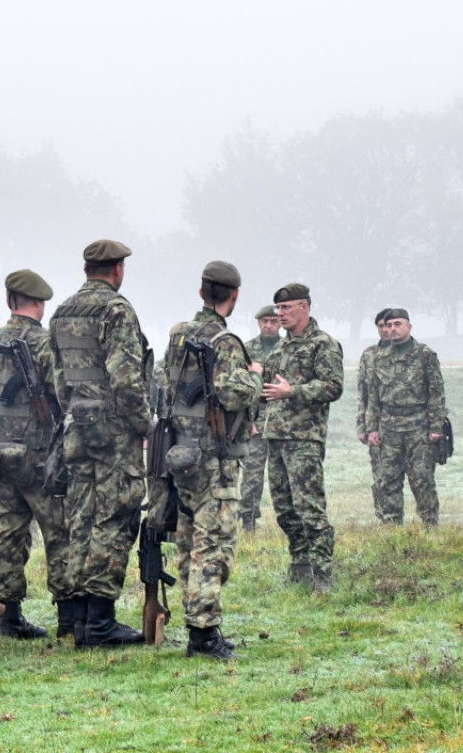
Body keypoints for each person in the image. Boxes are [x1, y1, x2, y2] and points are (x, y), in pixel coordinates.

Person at [48, 239, 151, 648]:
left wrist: (74, 412)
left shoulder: (62, 311)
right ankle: (100, 621)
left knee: (81, 518)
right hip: (114, 434)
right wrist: (143, 424)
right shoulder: (116, 310)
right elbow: (126, 376)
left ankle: (79, 618)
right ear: (117, 269)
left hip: (76, 427)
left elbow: (58, 378)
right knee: (113, 518)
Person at [156, 261, 261, 659]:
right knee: (211, 544)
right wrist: (254, 375)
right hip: (214, 457)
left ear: (202, 292)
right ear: (233, 296)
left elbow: (166, 382)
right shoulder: (226, 341)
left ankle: (197, 620)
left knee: (189, 539)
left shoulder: (178, 335)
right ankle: (204, 633)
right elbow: (233, 395)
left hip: (182, 452)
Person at [0, 269, 63, 640]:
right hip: (39, 456)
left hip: (0, 454)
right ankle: (72, 614)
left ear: (10, 301)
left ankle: (8, 614)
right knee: (60, 534)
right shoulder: (44, 343)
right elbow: (61, 391)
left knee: (6, 538)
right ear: (40, 304)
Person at [260, 284, 344, 592]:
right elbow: (268, 391)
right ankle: (299, 567)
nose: (280, 314)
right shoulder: (280, 348)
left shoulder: (324, 344)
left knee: (310, 508)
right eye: (278, 309)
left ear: (304, 307)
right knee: (285, 509)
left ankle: (323, 576)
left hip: (304, 438)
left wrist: (294, 390)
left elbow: (334, 387)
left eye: (286, 308)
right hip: (276, 437)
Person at [364, 308, 445, 526]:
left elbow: (436, 392)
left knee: (422, 479)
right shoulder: (379, 357)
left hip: (418, 426)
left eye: (398, 324)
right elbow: (372, 396)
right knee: (387, 480)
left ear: (409, 326)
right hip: (388, 427)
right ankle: (392, 528)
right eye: (388, 325)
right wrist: (371, 428)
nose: (392, 329)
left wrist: (435, 427)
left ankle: (430, 525)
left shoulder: (425, 355)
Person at [239, 305, 281, 532]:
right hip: (255, 417)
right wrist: (247, 422)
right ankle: (248, 520)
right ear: (258, 323)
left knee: (282, 473)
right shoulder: (247, 349)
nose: (268, 325)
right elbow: (242, 388)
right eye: (264, 321)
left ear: (280, 323)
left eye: (273, 321)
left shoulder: (289, 348)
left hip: (282, 417)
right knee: (252, 473)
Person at [356, 309, 393, 523]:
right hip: (375, 425)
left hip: (409, 423)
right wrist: (362, 426)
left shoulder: (417, 353)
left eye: (390, 325)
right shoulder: (369, 355)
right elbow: (362, 393)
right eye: (381, 326)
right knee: (380, 474)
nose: (386, 330)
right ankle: (385, 519)